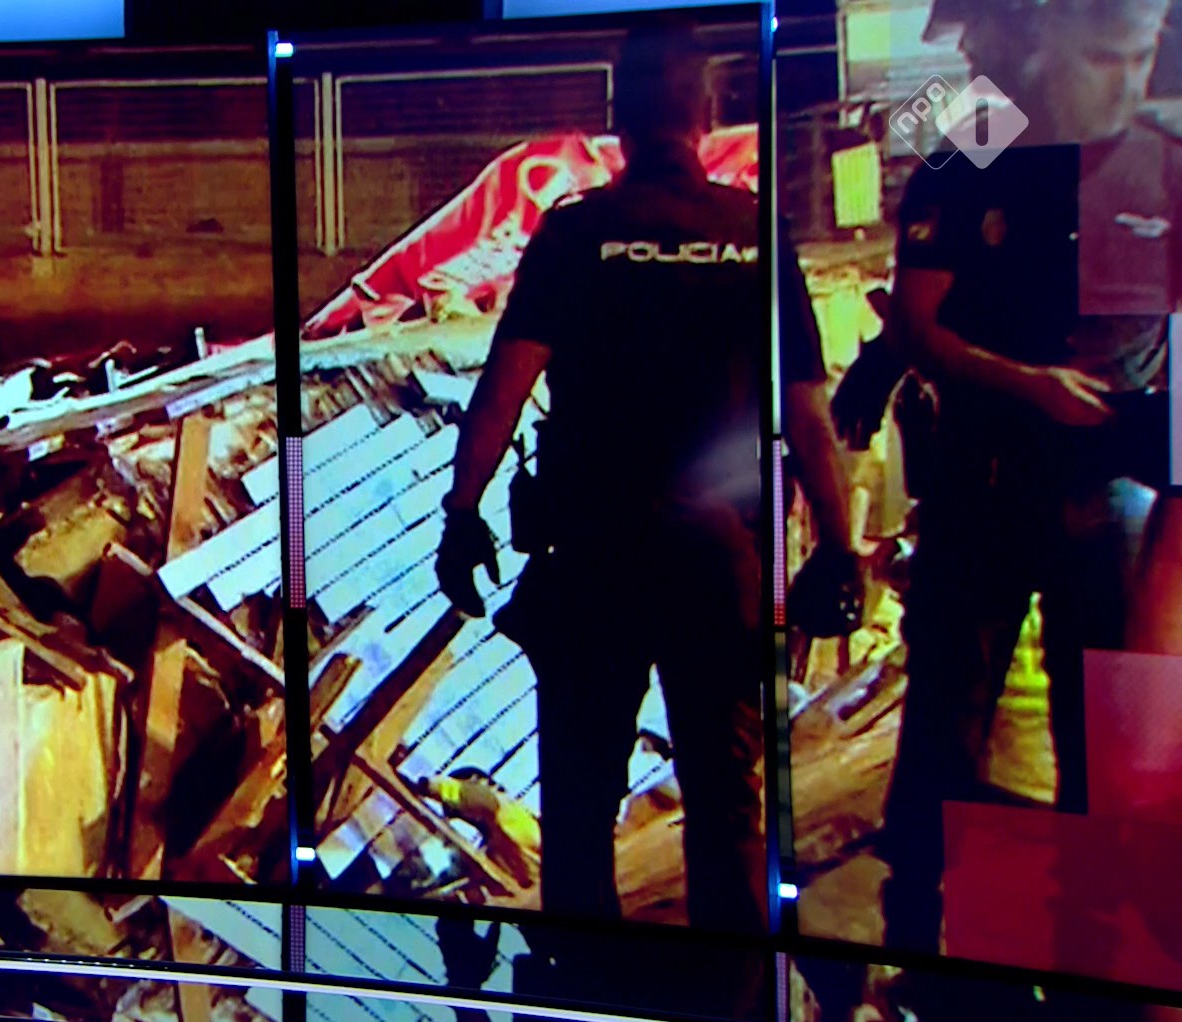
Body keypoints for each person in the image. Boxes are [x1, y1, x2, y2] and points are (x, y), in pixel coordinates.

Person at [435, 18, 857, 941]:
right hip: (723, 566)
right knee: (728, 808)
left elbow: (503, 387)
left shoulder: (575, 233)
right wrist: (838, 543)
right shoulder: (756, 233)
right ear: (706, 111)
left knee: (580, 810)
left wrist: (461, 514)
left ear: (616, 116)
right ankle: (732, 1002)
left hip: (595, 562)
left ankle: (583, 1001)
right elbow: (808, 411)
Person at [877, 0, 1178, 954]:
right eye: (1103, 59)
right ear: (1050, 48)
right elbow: (917, 324)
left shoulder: (1167, 164)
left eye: (1140, 58)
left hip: (1112, 500)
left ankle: (1092, 949)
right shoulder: (971, 150)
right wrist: (1027, 386)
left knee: (1105, 743)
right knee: (944, 725)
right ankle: (917, 944)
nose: (1124, 81)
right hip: (983, 489)